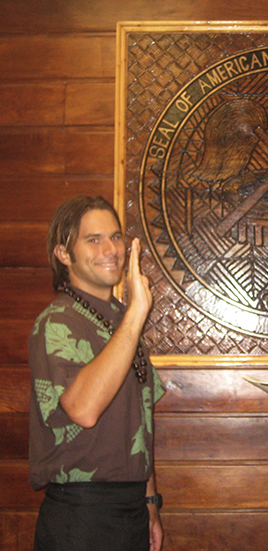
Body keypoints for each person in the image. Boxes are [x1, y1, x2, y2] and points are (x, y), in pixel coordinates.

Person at [28, 196, 165, 551]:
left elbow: (139, 424)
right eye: (93, 239)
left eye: (116, 237)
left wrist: (150, 503)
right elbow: (85, 410)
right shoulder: (56, 321)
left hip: (131, 509)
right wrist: (137, 312)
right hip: (82, 515)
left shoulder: (121, 321)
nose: (111, 249)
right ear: (63, 253)